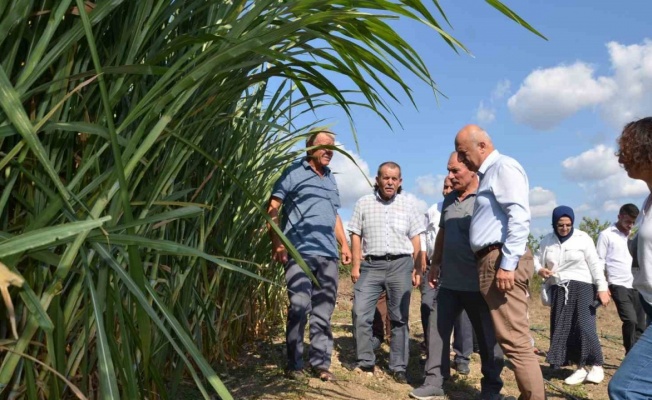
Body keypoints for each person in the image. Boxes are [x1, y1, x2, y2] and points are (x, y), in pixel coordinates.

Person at [454, 124, 545, 400]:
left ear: (481, 146)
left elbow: (519, 216)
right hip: (492, 260)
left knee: (515, 339)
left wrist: (507, 264)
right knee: (510, 337)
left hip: (500, 259)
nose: (461, 159)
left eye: (463, 152)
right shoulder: (490, 174)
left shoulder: (504, 167)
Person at [410, 152, 505, 400]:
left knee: (487, 338)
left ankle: (492, 388)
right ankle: (433, 381)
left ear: (472, 169)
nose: (449, 177)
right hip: (449, 282)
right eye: (448, 171)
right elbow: (442, 232)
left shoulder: (487, 197)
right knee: (436, 329)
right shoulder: (450, 199)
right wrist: (435, 263)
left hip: (478, 283)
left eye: (455, 171)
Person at [267, 130, 352, 381]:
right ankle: (295, 364)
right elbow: (273, 207)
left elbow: (333, 214)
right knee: (299, 305)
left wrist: (344, 245)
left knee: (323, 312)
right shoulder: (294, 171)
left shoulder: (330, 179)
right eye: (325, 146)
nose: (330, 151)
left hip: (328, 254)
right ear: (309, 148)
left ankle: (321, 364)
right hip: (298, 251)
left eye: (333, 148)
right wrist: (278, 243)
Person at [349, 161, 425, 383]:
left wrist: (418, 268)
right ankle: (365, 361)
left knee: (399, 317)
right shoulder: (363, 203)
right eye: (386, 177)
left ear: (400, 182)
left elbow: (416, 239)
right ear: (378, 179)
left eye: (394, 178)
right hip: (371, 265)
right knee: (359, 311)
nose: (390, 182)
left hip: (401, 265)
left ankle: (398, 366)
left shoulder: (408, 205)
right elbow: (355, 234)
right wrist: (355, 265)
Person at [534, 206, 610, 385]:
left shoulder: (583, 238)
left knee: (584, 325)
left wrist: (602, 287)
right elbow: (536, 259)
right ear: (554, 224)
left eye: (568, 225)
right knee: (565, 329)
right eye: (561, 225)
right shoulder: (547, 241)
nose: (565, 228)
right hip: (560, 287)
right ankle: (580, 367)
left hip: (583, 285)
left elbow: (595, 264)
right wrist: (540, 270)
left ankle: (597, 364)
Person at [609, 117, 652, 399]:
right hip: (649, 303)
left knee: (626, 388)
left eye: (628, 147)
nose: (621, 156)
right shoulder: (648, 202)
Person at [420, 177, 475, 371]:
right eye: (445, 186)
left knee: (462, 314)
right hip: (434, 266)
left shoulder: (472, 204)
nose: (448, 189)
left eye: (451, 186)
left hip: (459, 267)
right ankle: (431, 353)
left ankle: (462, 357)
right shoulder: (433, 210)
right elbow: (425, 237)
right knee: (428, 306)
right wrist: (425, 263)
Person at [596, 203, 645, 354]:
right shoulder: (606, 235)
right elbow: (599, 261)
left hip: (637, 284)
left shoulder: (636, 235)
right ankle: (630, 354)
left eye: (633, 223)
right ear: (619, 216)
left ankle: (636, 357)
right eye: (627, 222)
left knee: (641, 326)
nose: (630, 226)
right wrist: (602, 287)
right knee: (630, 320)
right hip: (617, 284)